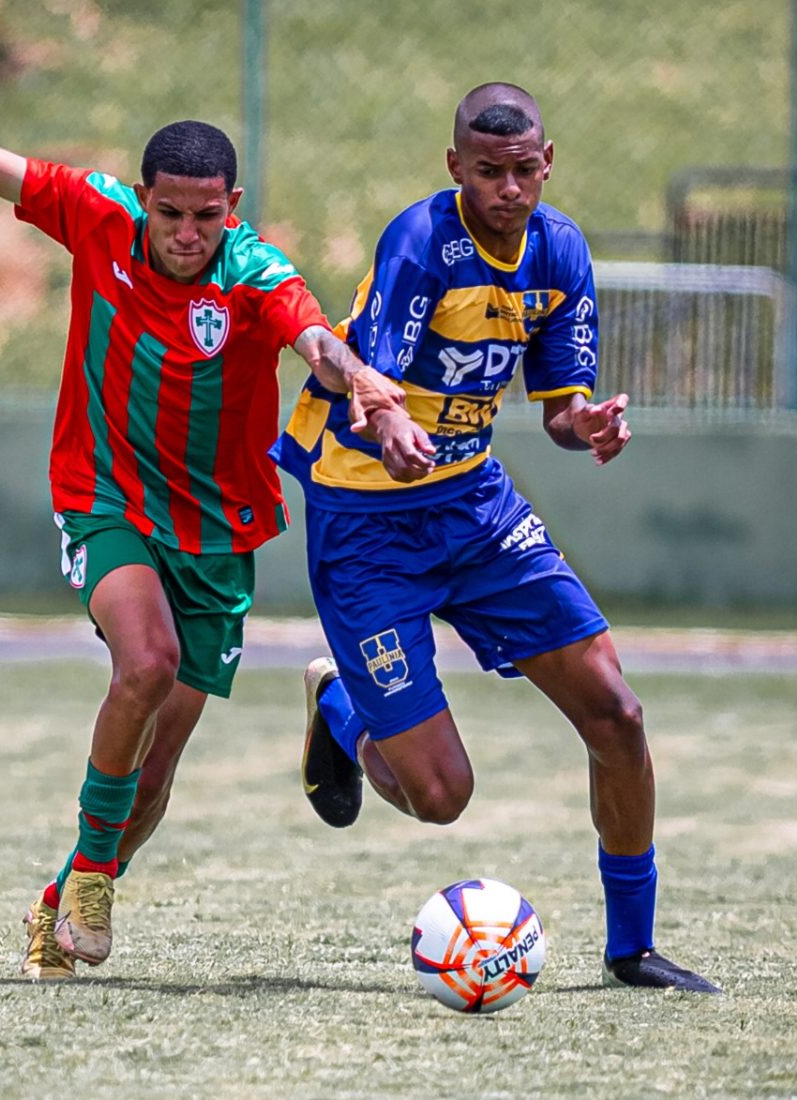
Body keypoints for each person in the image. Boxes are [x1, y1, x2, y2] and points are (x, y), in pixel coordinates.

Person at [0, 21, 402, 981]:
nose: (186, 234)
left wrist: (360, 379)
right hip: (106, 498)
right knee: (146, 662)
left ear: (232, 207)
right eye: (170, 213)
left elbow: (315, 342)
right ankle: (92, 872)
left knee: (154, 775)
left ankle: (63, 897)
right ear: (144, 198)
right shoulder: (95, 214)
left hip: (217, 533)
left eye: (206, 216)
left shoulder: (256, 275)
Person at [272, 82, 720, 992]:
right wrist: (390, 424)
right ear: (456, 167)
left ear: (547, 163)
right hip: (365, 522)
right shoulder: (420, 241)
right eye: (487, 172)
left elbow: (557, 409)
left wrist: (584, 423)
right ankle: (343, 708)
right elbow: (372, 383)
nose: (508, 189)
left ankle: (632, 948)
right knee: (440, 797)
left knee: (618, 715)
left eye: (523, 170)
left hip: (476, 507)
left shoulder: (561, 250)